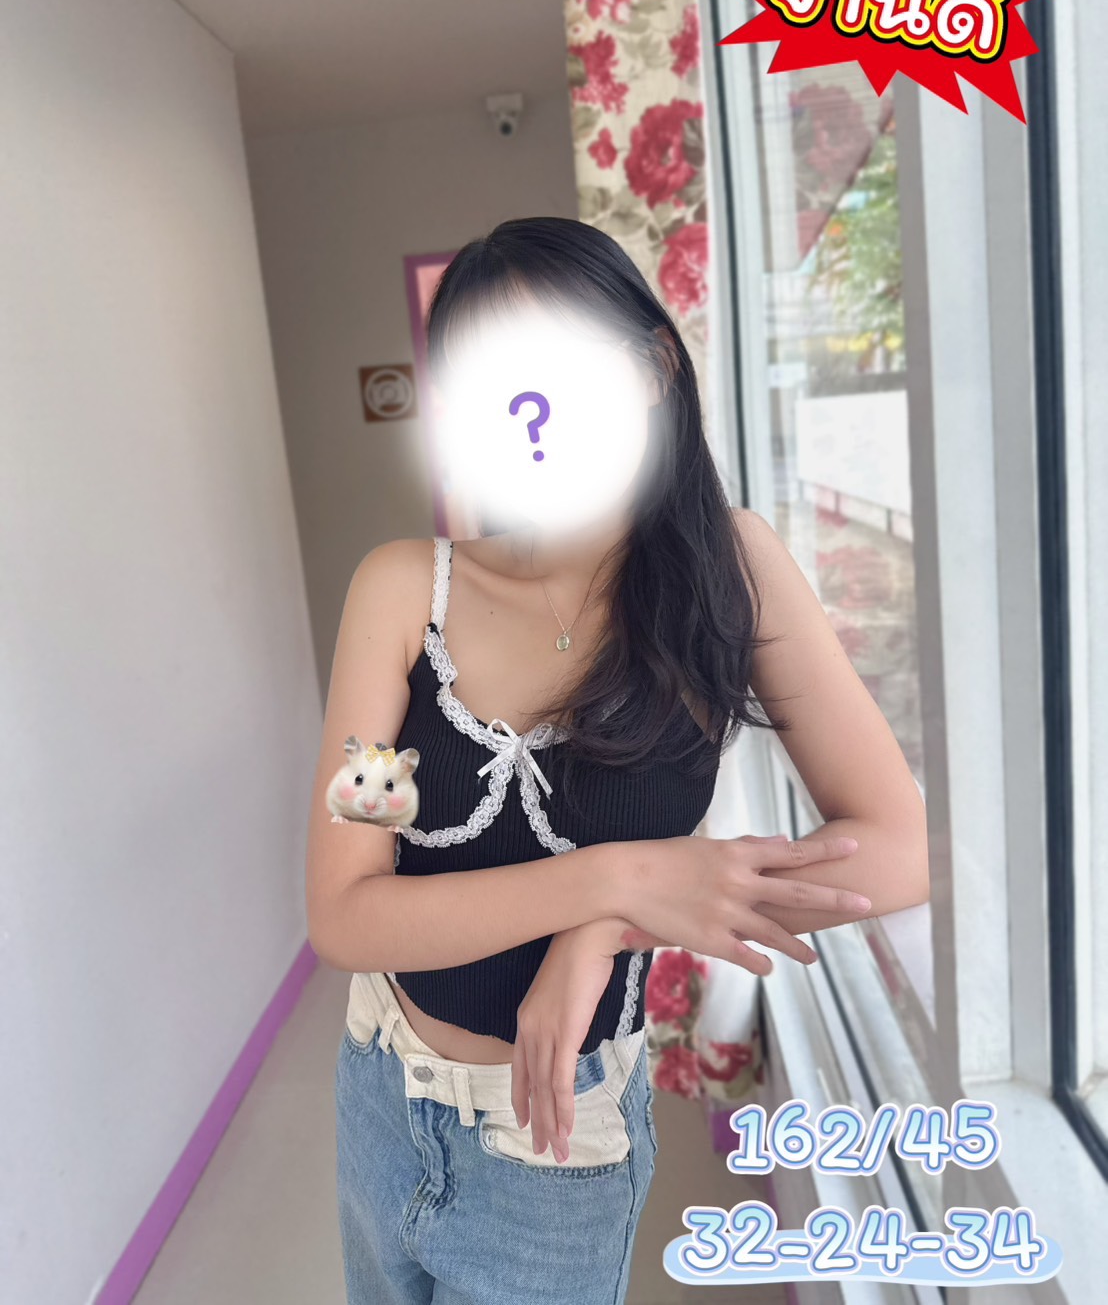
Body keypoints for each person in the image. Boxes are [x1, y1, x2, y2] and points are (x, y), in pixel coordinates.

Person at [305, 217, 930, 1305]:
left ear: (649, 370)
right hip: (382, 1081)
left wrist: (607, 927)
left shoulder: (732, 572)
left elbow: (897, 848)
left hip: (556, 1139)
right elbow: (346, 912)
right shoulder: (402, 592)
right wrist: (616, 877)